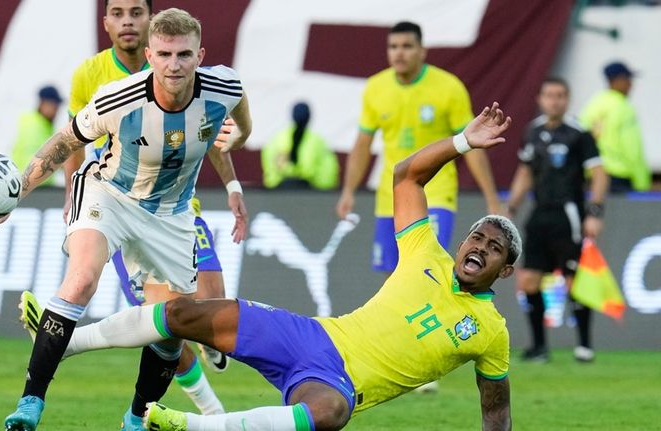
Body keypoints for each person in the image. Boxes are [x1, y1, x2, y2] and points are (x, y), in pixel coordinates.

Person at [53, 103, 516, 431]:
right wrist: (461, 142)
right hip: (310, 336)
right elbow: (406, 175)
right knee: (183, 314)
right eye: (477, 236)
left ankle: (191, 426)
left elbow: (495, 413)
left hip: (338, 381)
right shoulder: (423, 249)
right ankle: (67, 342)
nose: (480, 247)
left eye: (494, 248)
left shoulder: (490, 332)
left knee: (329, 413)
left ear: (505, 271)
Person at [0, 8, 253, 431]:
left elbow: (241, 121)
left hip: (172, 212)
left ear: (201, 55)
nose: (173, 65)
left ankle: (135, 417)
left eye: (183, 55)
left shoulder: (225, 85)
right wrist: (13, 197)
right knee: (83, 277)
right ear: (150, 54)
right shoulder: (117, 97)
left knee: (170, 326)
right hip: (110, 195)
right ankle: (30, 403)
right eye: (163, 54)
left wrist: (242, 138)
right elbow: (60, 143)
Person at [60, 1, 244, 428]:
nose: (128, 20)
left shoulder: (182, 69)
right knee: (165, 325)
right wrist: (72, 198)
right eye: (118, 12)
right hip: (122, 210)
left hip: (182, 208)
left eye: (137, 12)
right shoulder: (92, 76)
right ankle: (211, 412)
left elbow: (210, 130)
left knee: (210, 302)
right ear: (106, 23)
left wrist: (233, 186)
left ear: (150, 21)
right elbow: (74, 137)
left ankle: (210, 347)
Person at [336, 21, 501, 270]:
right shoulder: (375, 88)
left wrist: (492, 199)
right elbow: (362, 144)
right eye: (393, 47)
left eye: (406, 46)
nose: (399, 53)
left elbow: (471, 145)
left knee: (428, 268)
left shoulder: (448, 87)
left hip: (435, 192)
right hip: (390, 196)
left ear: (422, 51)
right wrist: (348, 190)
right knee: (392, 277)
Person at [506, 77, 609, 363]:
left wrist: (595, 212)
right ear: (540, 98)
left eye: (561, 95)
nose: (555, 100)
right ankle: (539, 348)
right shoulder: (532, 131)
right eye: (550, 95)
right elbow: (526, 172)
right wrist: (511, 207)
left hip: (569, 214)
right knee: (528, 280)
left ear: (567, 99)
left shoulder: (579, 134)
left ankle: (584, 346)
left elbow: (599, 174)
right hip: (540, 213)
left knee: (574, 280)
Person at [579, 61, 650, 192]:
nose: (631, 84)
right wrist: (642, 183)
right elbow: (632, 148)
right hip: (620, 178)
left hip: (593, 176)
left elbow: (581, 142)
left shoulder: (592, 105)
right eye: (628, 79)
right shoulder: (623, 107)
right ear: (617, 80)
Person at [261, 101, 339, 190]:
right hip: (310, 192)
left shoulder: (276, 139)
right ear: (309, 117)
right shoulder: (317, 141)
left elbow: (269, 168)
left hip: (278, 190)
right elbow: (328, 172)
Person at [10, 85, 63, 187]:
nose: (56, 110)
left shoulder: (44, 125)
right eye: (53, 105)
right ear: (43, 103)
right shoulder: (34, 126)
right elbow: (39, 162)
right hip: (33, 189)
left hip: (34, 188)